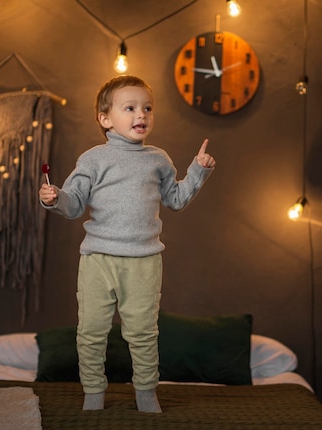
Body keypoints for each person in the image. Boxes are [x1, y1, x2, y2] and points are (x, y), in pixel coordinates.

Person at [39, 75, 215, 413]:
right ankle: (93, 394)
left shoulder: (158, 159)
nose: (142, 115)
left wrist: (197, 171)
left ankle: (146, 394)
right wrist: (54, 197)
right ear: (106, 119)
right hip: (98, 259)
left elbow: (176, 199)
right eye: (130, 108)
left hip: (144, 261)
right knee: (91, 332)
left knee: (143, 333)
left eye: (147, 108)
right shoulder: (93, 159)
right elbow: (74, 204)